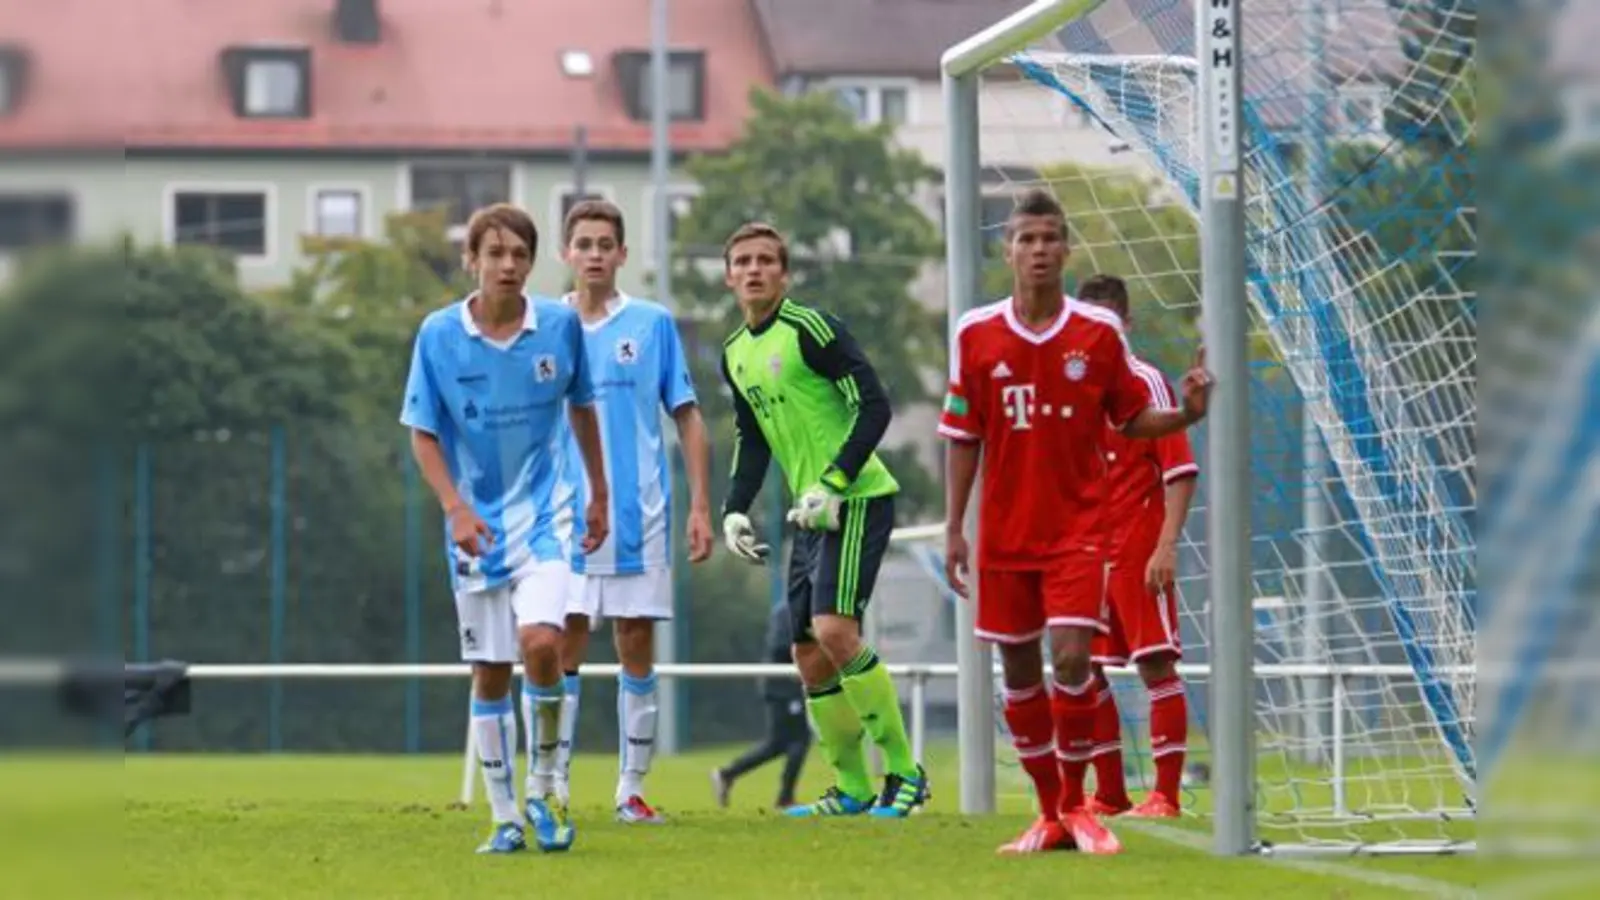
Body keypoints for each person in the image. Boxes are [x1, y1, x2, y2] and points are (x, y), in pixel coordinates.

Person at [937, 189, 1212, 855]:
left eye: (1049, 238)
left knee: (1071, 656)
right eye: (1026, 239)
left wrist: (1185, 414)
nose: (1038, 250)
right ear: (1008, 250)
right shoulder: (975, 333)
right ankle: (1050, 815)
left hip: (1080, 532)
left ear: (1066, 249)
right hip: (1005, 532)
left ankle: (1078, 804)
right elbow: (963, 434)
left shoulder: (1099, 333)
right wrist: (953, 527)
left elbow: (1132, 418)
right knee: (1019, 670)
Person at [400, 203, 609, 855]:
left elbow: (582, 408)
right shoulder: (438, 335)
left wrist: (600, 493)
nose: (508, 265)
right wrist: (454, 507)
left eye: (520, 254)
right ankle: (504, 815)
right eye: (495, 253)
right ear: (472, 261)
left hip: (549, 516)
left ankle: (545, 787)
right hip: (477, 529)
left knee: (541, 642)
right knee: (490, 672)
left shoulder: (560, 327)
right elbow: (422, 433)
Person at [717, 222, 930, 819]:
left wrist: (834, 481)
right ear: (729, 277)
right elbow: (751, 438)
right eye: (743, 261)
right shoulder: (734, 353)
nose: (754, 269)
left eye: (766, 260)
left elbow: (874, 405)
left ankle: (906, 773)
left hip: (857, 497)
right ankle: (853, 787)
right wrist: (734, 509)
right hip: (808, 514)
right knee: (808, 654)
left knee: (835, 630)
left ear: (784, 274)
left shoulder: (811, 329)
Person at [525, 199, 715, 824]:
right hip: (563, 518)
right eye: (584, 244)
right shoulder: (542, 326)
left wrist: (700, 505)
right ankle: (551, 783)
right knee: (562, 640)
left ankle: (631, 789)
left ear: (623, 254)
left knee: (634, 640)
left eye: (606, 244)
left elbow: (687, 415)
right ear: (566, 253)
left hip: (640, 514)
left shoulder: (652, 323)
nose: (595, 255)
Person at [1077, 273, 1199, 819]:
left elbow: (1179, 469)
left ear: (1125, 324)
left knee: (1155, 664)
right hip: (1088, 551)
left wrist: (1165, 546)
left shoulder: (1146, 383)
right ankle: (1109, 793)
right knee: (1086, 670)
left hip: (1139, 545)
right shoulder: (1075, 390)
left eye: (1108, 322)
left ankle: (1166, 796)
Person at [709, 602, 813, 810]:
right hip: (782, 686)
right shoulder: (790, 610)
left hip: (784, 684)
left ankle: (728, 774)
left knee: (779, 743)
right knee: (799, 739)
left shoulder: (797, 608)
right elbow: (781, 647)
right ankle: (784, 798)